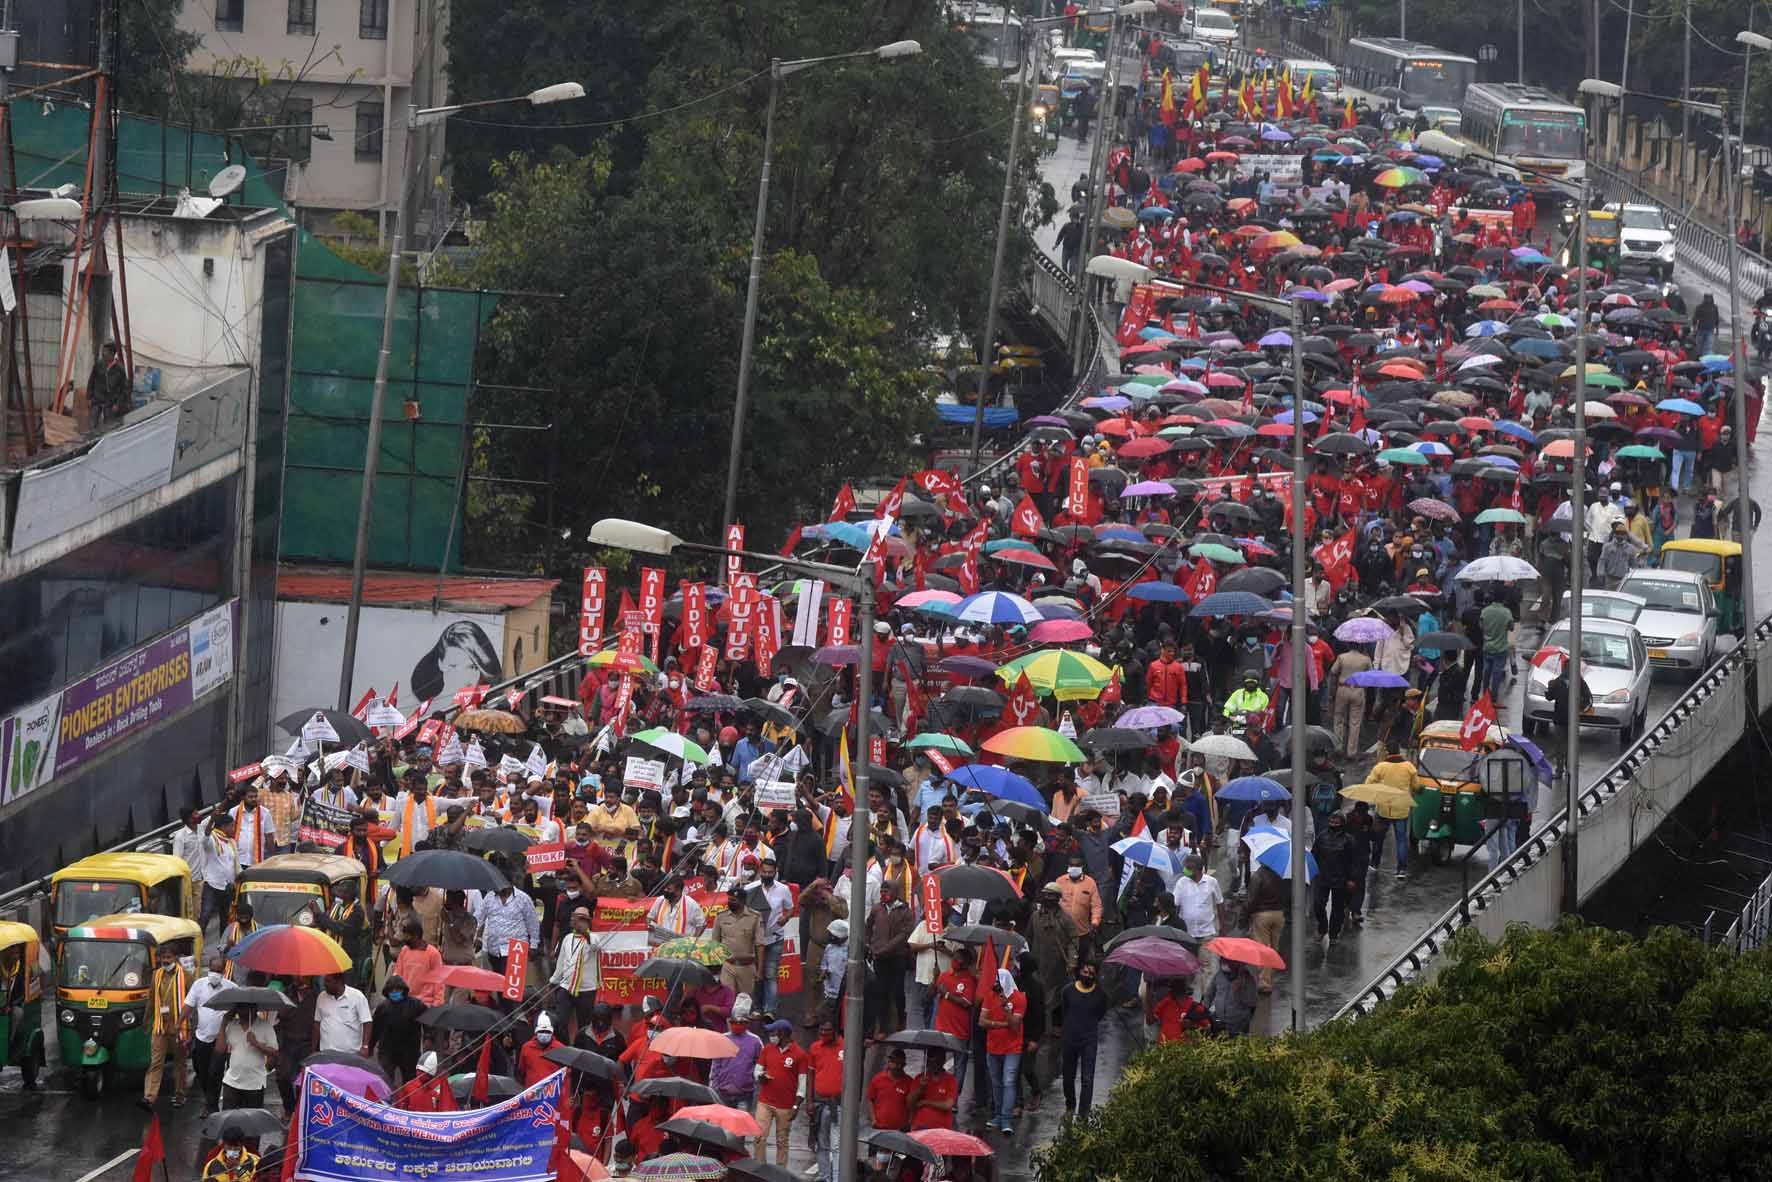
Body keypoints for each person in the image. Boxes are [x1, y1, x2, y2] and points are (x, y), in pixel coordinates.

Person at [141, 943, 190, 1109]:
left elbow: (194, 1003)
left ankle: (179, 1095)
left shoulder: (187, 976)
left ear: (176, 958)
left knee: (180, 1063)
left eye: (169, 957)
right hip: (160, 1026)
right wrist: (146, 1020)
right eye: (163, 958)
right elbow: (151, 1000)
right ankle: (149, 1097)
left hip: (179, 1027)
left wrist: (191, 1028)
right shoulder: (156, 975)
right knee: (155, 1062)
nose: (166, 960)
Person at [1057, 961, 1109, 1115]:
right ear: (1080, 972)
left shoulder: (1100, 995)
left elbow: (1100, 1014)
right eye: (1085, 972)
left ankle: (1083, 1114)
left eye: (1091, 973)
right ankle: (1070, 1105)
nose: (1087, 975)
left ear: (1095, 976)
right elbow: (1063, 1010)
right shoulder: (1068, 991)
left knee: (1087, 1079)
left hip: (1089, 1040)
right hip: (1069, 1039)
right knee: (1067, 1076)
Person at [182, 955, 232, 1114]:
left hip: (221, 1040)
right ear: (209, 969)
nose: (215, 974)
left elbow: (237, 1012)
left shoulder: (231, 988)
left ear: (223, 972)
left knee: (215, 1073)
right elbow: (188, 1006)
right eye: (213, 970)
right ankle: (209, 1099)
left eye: (219, 971)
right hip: (202, 1037)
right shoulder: (199, 985)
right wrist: (179, 1023)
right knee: (201, 1070)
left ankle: (212, 1105)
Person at [979, 967, 1027, 1134]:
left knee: (1008, 1081)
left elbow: (1014, 1026)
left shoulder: (1019, 998)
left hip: (1012, 1048)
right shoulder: (989, 995)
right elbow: (982, 1021)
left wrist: (1006, 1008)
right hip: (993, 1047)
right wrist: (1000, 1025)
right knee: (996, 1082)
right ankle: (998, 1115)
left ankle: (1006, 1119)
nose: (995, 985)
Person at [864, 880, 915, 1038]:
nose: (883, 894)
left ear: (894, 892)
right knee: (881, 992)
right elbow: (868, 926)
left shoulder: (905, 911)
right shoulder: (877, 908)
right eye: (881, 891)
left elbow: (903, 936)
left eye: (886, 891)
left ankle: (901, 1017)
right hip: (879, 957)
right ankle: (883, 1027)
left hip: (897, 957)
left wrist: (884, 950)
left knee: (898, 991)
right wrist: (869, 944)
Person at [1368, 742, 1422, 879]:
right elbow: (1416, 786)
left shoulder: (1380, 767)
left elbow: (1369, 784)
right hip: (1401, 809)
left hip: (1383, 808)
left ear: (1387, 753)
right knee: (1401, 840)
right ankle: (1401, 870)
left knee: (1379, 839)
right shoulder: (1409, 767)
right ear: (1399, 753)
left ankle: (1374, 864)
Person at [754, 1019, 804, 1167]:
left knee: (782, 1141)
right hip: (765, 1102)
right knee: (759, 1136)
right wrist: (760, 1076)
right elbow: (757, 1070)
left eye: (773, 1032)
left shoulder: (799, 1054)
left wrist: (796, 1106)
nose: (771, 1035)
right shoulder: (768, 1049)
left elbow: (803, 1083)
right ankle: (759, 1169)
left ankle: (781, 1173)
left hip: (786, 1106)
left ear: (782, 1034)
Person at [805, 1019, 846, 1182]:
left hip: (839, 1104)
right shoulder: (815, 1047)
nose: (822, 1034)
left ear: (835, 1031)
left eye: (826, 1031)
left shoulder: (846, 1047)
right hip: (820, 1104)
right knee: (821, 1144)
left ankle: (836, 1179)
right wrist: (809, 1101)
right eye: (821, 1031)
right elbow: (810, 1075)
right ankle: (824, 1178)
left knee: (836, 1146)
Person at [1310, 811, 1359, 945]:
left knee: (1338, 910)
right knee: (1318, 904)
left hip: (1341, 880)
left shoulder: (1349, 840)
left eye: (1337, 822)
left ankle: (1334, 934)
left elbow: (1354, 861)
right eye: (1332, 821)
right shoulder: (1322, 837)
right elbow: (1314, 855)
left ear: (1342, 824)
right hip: (1322, 877)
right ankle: (1322, 928)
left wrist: (1352, 879)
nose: (1334, 824)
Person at [369, 974, 427, 1084]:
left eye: (398, 989)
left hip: (409, 1051)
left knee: (410, 1081)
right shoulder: (382, 1007)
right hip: (387, 1050)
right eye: (391, 990)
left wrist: (428, 1038)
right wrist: (370, 1046)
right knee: (385, 1079)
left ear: (403, 990)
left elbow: (428, 1021)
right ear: (387, 991)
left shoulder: (416, 1005)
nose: (395, 992)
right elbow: (375, 1028)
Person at [219, 1003, 277, 1112]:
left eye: (243, 1007)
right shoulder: (232, 1025)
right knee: (229, 1120)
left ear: (253, 1009)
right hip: (231, 1082)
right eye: (238, 1007)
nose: (239, 1011)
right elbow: (219, 1049)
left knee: (252, 1123)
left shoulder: (265, 1026)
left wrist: (256, 1044)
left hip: (254, 1084)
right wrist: (223, 1023)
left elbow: (274, 1052)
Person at [1246, 863, 1288, 995]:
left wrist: (1244, 916)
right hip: (1279, 915)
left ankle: (1265, 982)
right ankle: (1269, 977)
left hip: (1262, 916)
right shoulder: (1282, 876)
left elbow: (1251, 900)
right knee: (1274, 949)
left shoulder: (1258, 876)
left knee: (1263, 949)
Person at [314, 971, 373, 1057]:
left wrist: (365, 1046)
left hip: (350, 1054)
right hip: (326, 1053)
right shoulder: (321, 997)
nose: (324, 984)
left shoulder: (357, 997)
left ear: (339, 981)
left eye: (328, 981)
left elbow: (367, 1022)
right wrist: (313, 1049)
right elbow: (317, 1023)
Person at [393, 919, 445, 1008]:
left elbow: (439, 982)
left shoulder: (433, 953)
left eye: (407, 936)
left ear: (416, 936)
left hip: (425, 1003)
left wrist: (437, 1003)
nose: (404, 939)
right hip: (405, 1001)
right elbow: (397, 975)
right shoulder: (404, 950)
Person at [1202, 956, 1259, 1036]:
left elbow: (1252, 1003)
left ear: (1236, 963)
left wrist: (1240, 991)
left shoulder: (1247, 979)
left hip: (1239, 1023)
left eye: (1226, 961)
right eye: (1221, 960)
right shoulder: (1219, 975)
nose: (1223, 963)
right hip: (1219, 1020)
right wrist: (1203, 1011)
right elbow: (1209, 994)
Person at [908, 1048, 959, 1131]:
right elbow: (910, 1104)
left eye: (937, 1061)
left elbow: (948, 1105)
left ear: (943, 1061)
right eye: (931, 1061)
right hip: (919, 1127)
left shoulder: (951, 1080)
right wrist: (920, 1088)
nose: (933, 1065)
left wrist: (925, 1102)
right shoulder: (920, 1078)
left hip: (941, 1129)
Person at [1147, 976, 1210, 1043]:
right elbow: (1150, 1021)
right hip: (1164, 1048)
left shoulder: (1195, 1007)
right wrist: (1148, 999)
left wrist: (1192, 1026)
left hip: (1184, 1050)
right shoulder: (1166, 1002)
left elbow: (1208, 1028)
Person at [1478, 593, 1514, 704]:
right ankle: (1493, 697)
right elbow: (1511, 627)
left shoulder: (1485, 611)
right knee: (1496, 673)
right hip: (1500, 648)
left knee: (1486, 672)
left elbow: (1480, 626)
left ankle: (1485, 694)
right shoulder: (1506, 612)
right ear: (1503, 600)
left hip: (1487, 647)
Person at [393, 1050, 457, 1112]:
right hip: (414, 1120)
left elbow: (448, 1109)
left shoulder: (441, 1083)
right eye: (419, 1071)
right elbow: (400, 1108)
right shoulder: (409, 1085)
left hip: (433, 1120)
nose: (420, 1073)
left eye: (423, 1072)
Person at [86, 341, 130, 428]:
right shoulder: (99, 365)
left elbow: (123, 389)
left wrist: (118, 404)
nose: (103, 354)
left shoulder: (119, 368)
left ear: (112, 354)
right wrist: (89, 397)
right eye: (103, 351)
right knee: (92, 424)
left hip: (111, 402)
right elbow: (91, 381)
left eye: (105, 352)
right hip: (97, 399)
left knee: (108, 427)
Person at [1693, 292, 1720, 357]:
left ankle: (1705, 359)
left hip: (1710, 330)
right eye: (1706, 298)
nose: (1708, 299)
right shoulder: (1700, 307)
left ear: (1711, 298)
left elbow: (1716, 319)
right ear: (1704, 298)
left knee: (1708, 347)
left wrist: (1717, 329)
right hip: (1701, 330)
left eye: (1709, 298)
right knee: (1699, 347)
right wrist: (1694, 329)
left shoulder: (1714, 307)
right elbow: (1695, 319)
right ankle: (1699, 357)